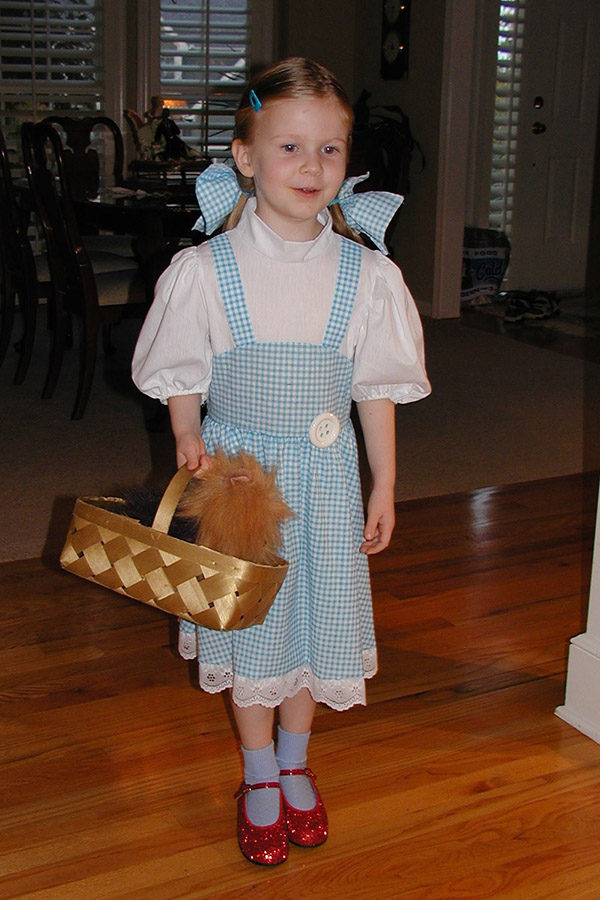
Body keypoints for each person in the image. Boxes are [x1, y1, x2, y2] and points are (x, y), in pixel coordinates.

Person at [132, 57, 431, 866]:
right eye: (290, 148)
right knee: (255, 631)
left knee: (315, 627)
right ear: (244, 155)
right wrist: (186, 431)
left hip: (329, 486)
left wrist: (388, 481)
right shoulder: (207, 270)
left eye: (330, 150)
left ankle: (297, 765)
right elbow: (182, 367)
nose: (311, 167)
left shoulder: (367, 273)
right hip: (241, 485)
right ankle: (259, 773)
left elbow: (376, 387)